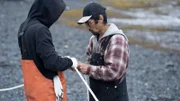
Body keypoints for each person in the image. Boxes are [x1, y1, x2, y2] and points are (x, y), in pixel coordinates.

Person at [17, 0, 78, 101]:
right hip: (45, 91)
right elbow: (52, 63)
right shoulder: (40, 30)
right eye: (56, 13)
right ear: (49, 11)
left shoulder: (23, 26)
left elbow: (37, 57)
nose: (56, 18)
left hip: (32, 89)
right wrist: (71, 62)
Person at [77, 2, 130, 101]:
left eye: (90, 23)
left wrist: (88, 69)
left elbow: (114, 72)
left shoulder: (117, 40)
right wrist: (79, 66)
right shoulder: (93, 40)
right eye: (86, 24)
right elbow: (89, 61)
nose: (88, 27)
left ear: (100, 18)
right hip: (96, 95)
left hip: (115, 97)